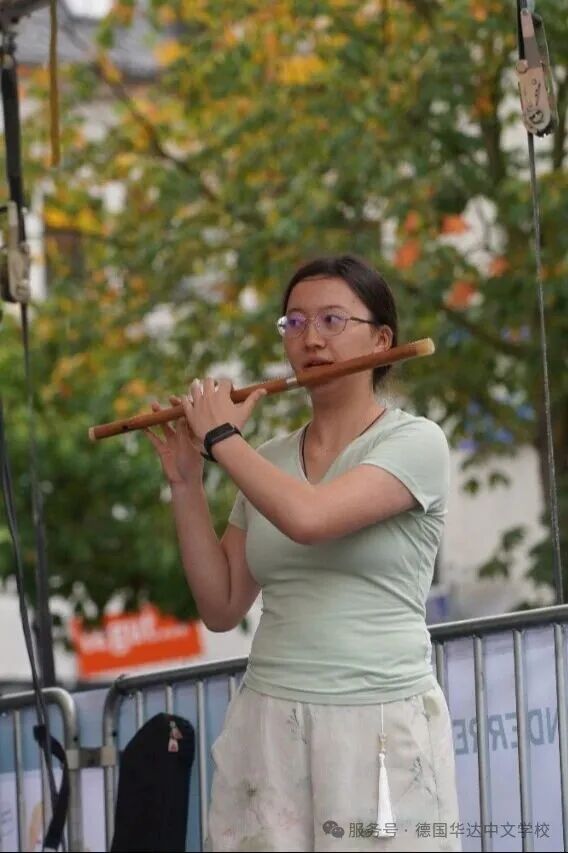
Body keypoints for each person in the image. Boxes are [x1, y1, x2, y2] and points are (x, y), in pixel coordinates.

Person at [145, 254, 461, 853]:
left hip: (378, 722)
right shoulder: (266, 459)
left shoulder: (416, 442)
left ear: (382, 340)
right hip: (269, 716)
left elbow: (311, 519)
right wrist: (187, 482)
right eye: (294, 322)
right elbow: (221, 604)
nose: (311, 338)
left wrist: (222, 438)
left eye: (332, 320)